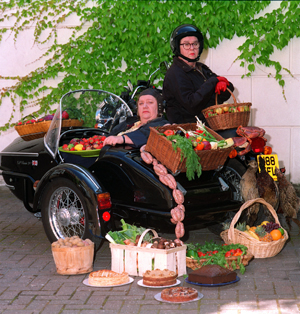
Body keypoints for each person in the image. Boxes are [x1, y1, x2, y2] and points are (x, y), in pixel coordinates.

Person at [163, 24, 234, 125]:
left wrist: (220, 86)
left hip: (209, 125)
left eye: (195, 44)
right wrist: (213, 82)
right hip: (189, 132)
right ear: (177, 47)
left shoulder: (200, 68)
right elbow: (192, 105)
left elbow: (227, 90)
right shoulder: (175, 73)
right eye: (186, 44)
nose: (192, 48)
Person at [103, 88, 169, 148]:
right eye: (141, 103)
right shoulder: (130, 122)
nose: (145, 106)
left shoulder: (163, 125)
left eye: (150, 102)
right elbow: (109, 136)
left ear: (159, 107)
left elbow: (148, 135)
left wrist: (122, 138)